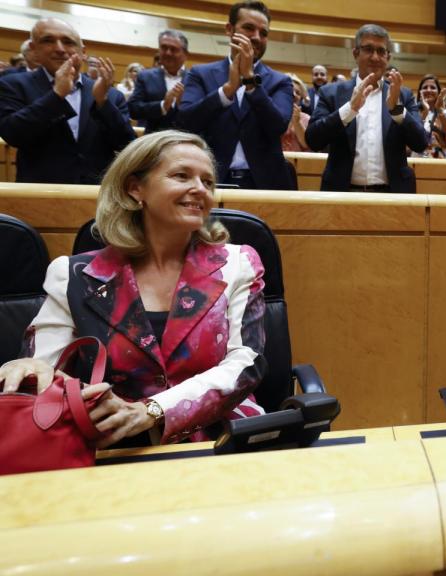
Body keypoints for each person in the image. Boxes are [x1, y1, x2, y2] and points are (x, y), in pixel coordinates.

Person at [0, 130, 267, 447]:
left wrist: (152, 411)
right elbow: (43, 367)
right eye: (181, 176)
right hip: (112, 444)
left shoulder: (238, 263)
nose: (200, 189)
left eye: (208, 181)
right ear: (134, 188)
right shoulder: (74, 275)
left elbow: (246, 364)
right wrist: (28, 368)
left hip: (221, 438)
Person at [0, 18, 135, 184]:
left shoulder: (110, 94)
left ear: (83, 52)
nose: (59, 49)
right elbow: (12, 135)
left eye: (68, 42)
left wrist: (103, 103)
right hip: (39, 191)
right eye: (48, 41)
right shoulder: (13, 85)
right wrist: (56, 96)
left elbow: (127, 145)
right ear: (34, 50)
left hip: (96, 192)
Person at [178, 1, 294, 190]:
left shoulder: (281, 81)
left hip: (265, 185)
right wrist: (226, 91)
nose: (256, 37)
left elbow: (277, 126)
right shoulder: (200, 74)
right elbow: (186, 123)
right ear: (229, 29)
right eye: (249, 28)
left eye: (263, 33)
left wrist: (250, 81)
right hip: (208, 182)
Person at [305, 24, 426, 193]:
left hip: (393, 195)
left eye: (381, 51)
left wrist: (397, 111)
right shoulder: (331, 93)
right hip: (342, 193)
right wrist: (349, 110)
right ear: (356, 53)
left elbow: (421, 143)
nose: (375, 57)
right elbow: (313, 140)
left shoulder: (403, 95)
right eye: (368, 49)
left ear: (388, 57)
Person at [130, 30, 189, 134]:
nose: (168, 53)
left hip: (186, 138)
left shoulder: (195, 78)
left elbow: (203, 114)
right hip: (154, 139)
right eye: (164, 48)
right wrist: (162, 106)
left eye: (173, 49)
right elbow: (133, 109)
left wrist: (183, 105)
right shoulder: (145, 76)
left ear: (185, 54)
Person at [415, 74, 446, 158]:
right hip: (417, 158)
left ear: (438, 92)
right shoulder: (413, 112)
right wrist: (425, 113)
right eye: (425, 87)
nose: (428, 90)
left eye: (433, 87)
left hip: (440, 159)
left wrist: (439, 109)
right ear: (420, 92)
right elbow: (412, 134)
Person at [281, 73, 310, 152]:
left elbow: (305, 144)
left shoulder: (306, 118)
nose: (294, 94)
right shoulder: (271, 113)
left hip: (298, 159)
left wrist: (297, 122)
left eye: (298, 93)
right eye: (290, 90)